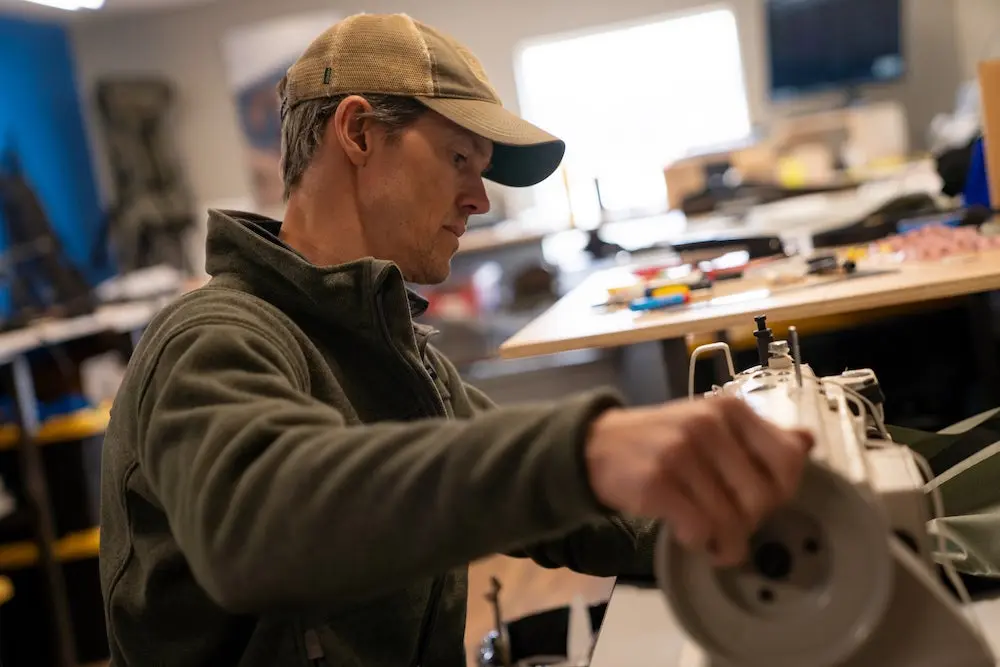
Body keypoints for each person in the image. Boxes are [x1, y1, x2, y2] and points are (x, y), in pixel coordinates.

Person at [99, 13, 813, 667]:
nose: (479, 198)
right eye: (459, 160)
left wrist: (749, 519)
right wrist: (587, 451)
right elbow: (256, 521)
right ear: (356, 132)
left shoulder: (396, 355)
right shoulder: (213, 338)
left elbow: (572, 514)